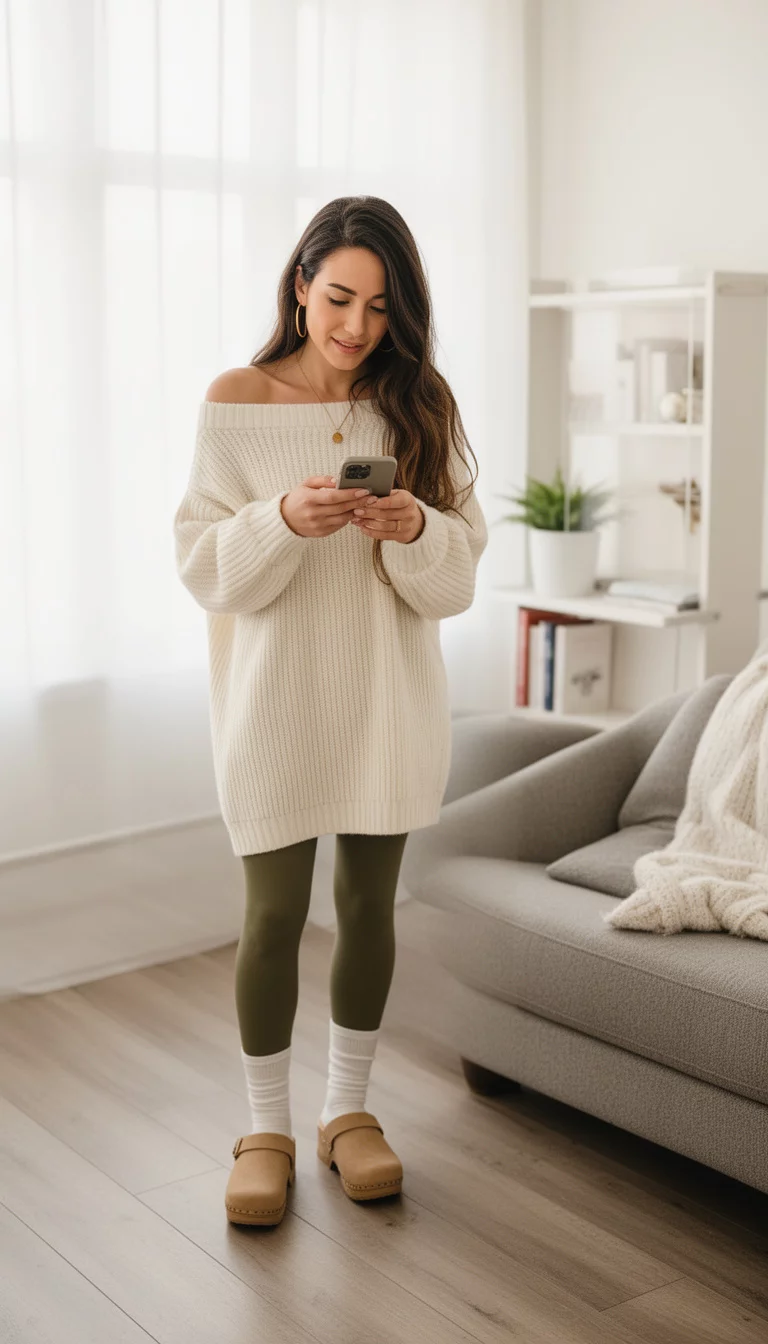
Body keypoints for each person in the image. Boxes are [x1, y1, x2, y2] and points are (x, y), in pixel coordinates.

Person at [173, 195, 488, 1227]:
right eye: (340, 297)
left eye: (381, 308)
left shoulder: (422, 404)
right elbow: (204, 569)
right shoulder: (236, 400)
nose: (356, 326)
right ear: (301, 284)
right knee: (269, 918)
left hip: (387, 706)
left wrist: (413, 528)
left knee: (367, 909)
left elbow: (457, 580)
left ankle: (347, 1113)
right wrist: (281, 519)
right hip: (271, 711)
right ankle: (264, 1126)